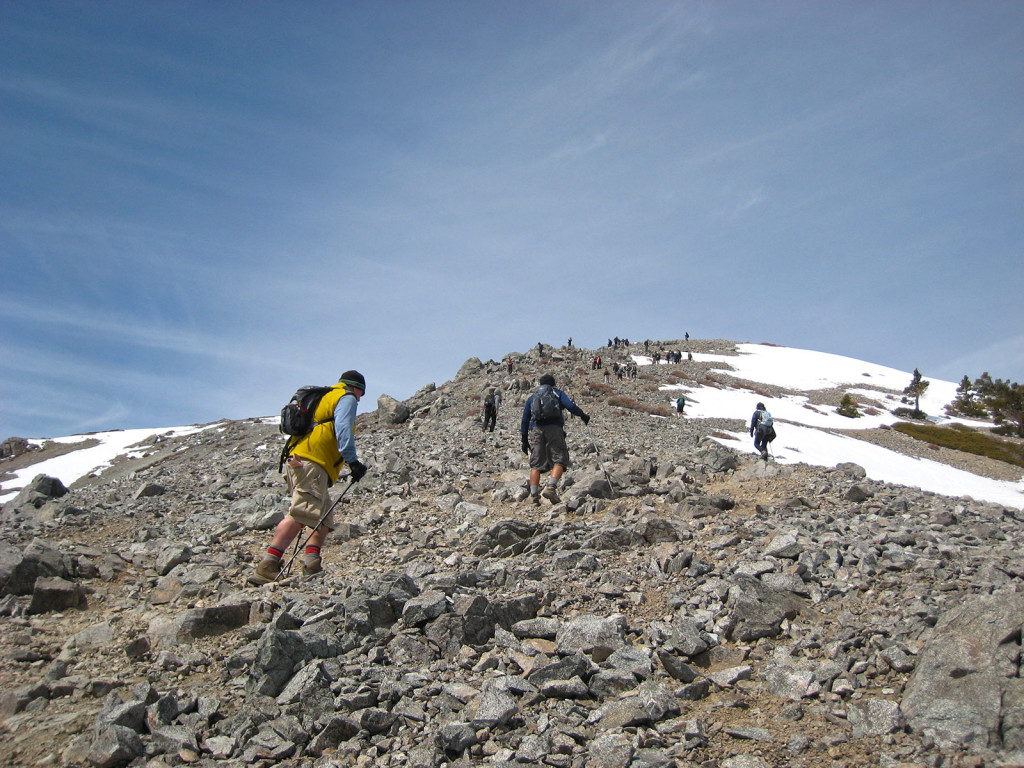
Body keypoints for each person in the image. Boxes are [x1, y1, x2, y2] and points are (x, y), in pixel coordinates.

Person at [250, 371, 368, 584]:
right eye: (361, 393)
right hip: (312, 462)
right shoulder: (346, 397)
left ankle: (312, 564)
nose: (360, 399)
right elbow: (343, 429)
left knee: (322, 516)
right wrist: (353, 461)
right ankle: (268, 564)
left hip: (301, 460)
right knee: (301, 513)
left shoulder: (325, 396)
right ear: (356, 388)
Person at [521, 374, 590, 505]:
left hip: (537, 430)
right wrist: (582, 415)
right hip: (555, 429)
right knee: (560, 458)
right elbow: (570, 405)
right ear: (553, 384)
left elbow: (525, 419)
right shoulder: (557, 393)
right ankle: (551, 488)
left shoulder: (533, 397)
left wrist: (524, 440)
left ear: (540, 384)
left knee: (536, 463)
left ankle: (533, 496)